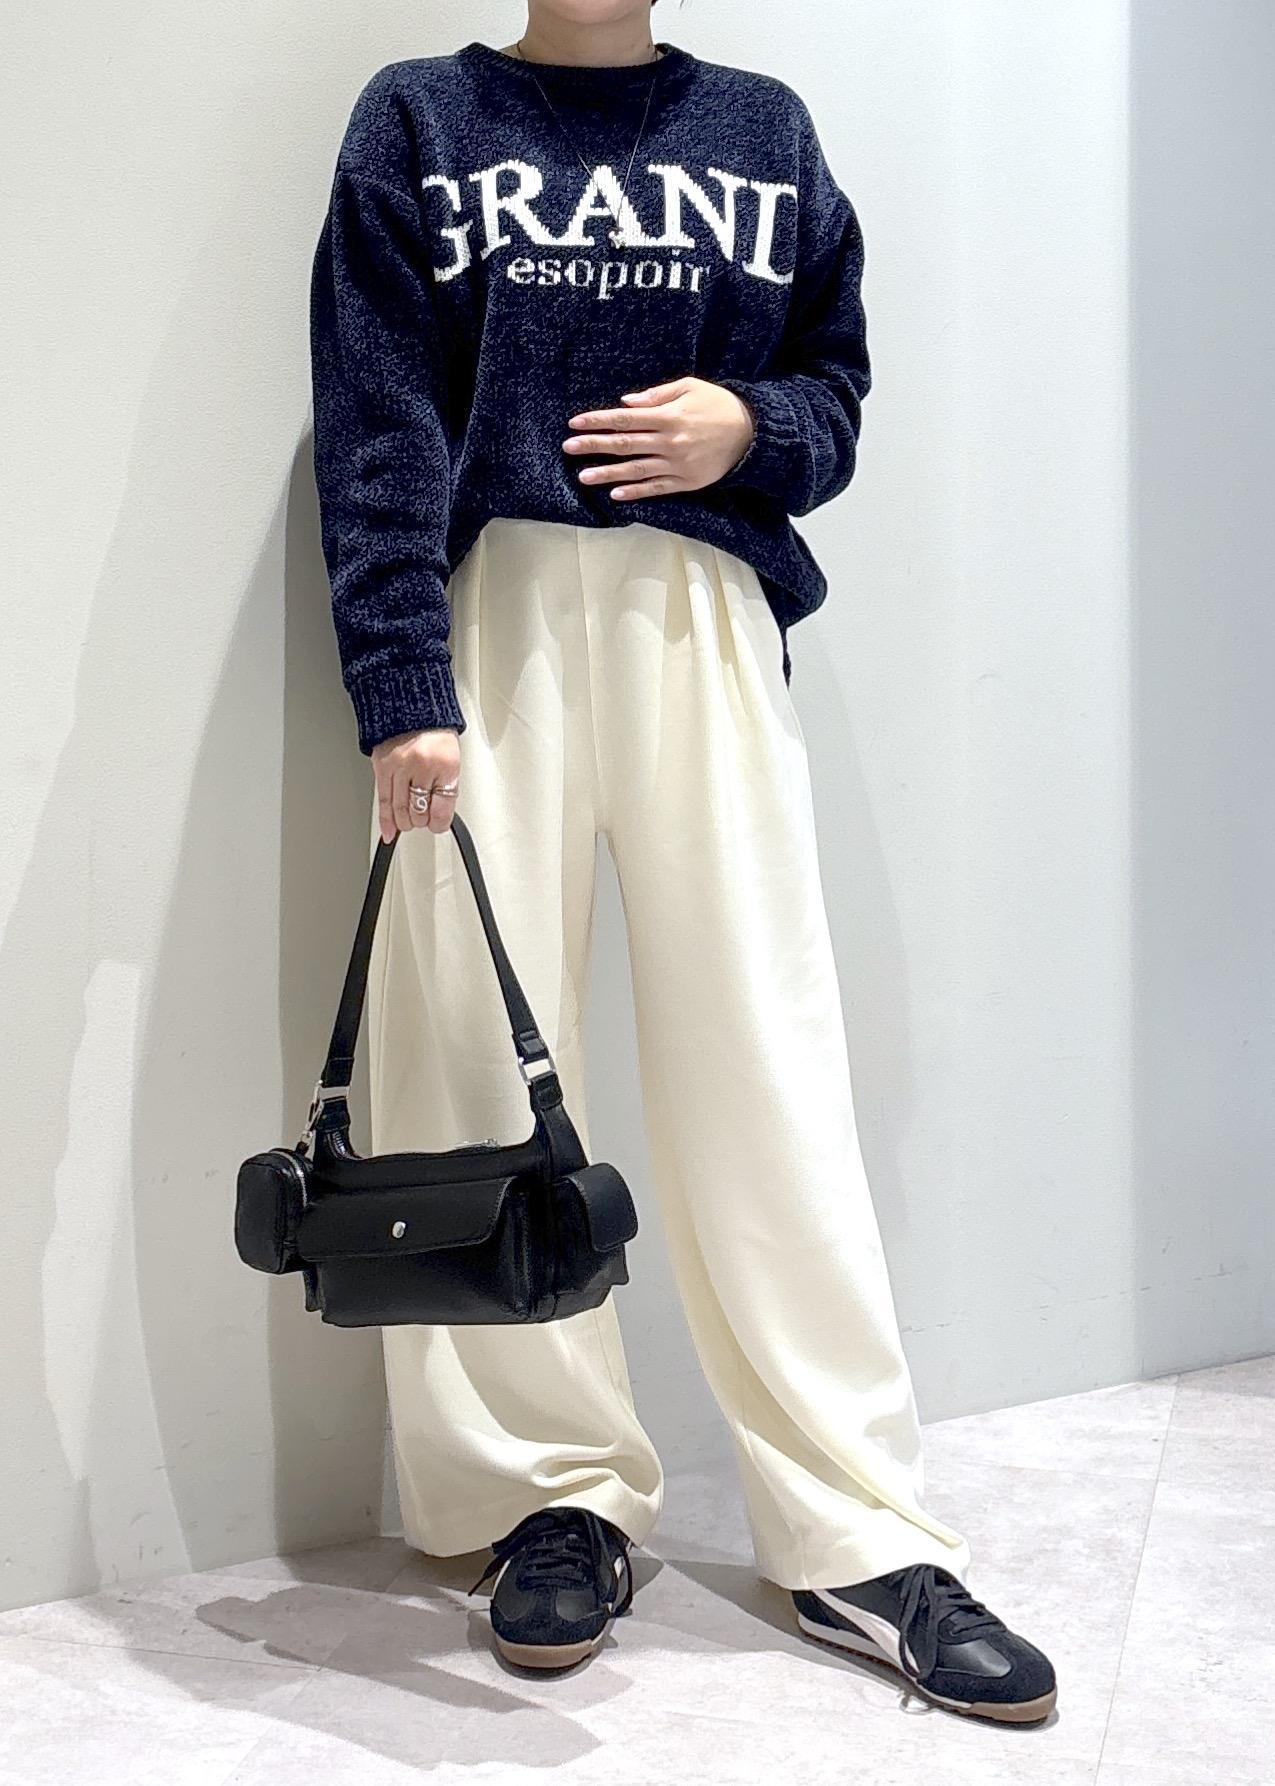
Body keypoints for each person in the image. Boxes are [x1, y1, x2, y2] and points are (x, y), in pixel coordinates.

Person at [308, 0, 1057, 1724]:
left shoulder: (763, 129)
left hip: (706, 607)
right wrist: (402, 679)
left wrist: (748, 430)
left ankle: (856, 1525)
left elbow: (834, 387)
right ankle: (546, 1496)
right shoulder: (418, 119)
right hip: (493, 609)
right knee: (474, 1062)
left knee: (766, 1057)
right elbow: (377, 415)